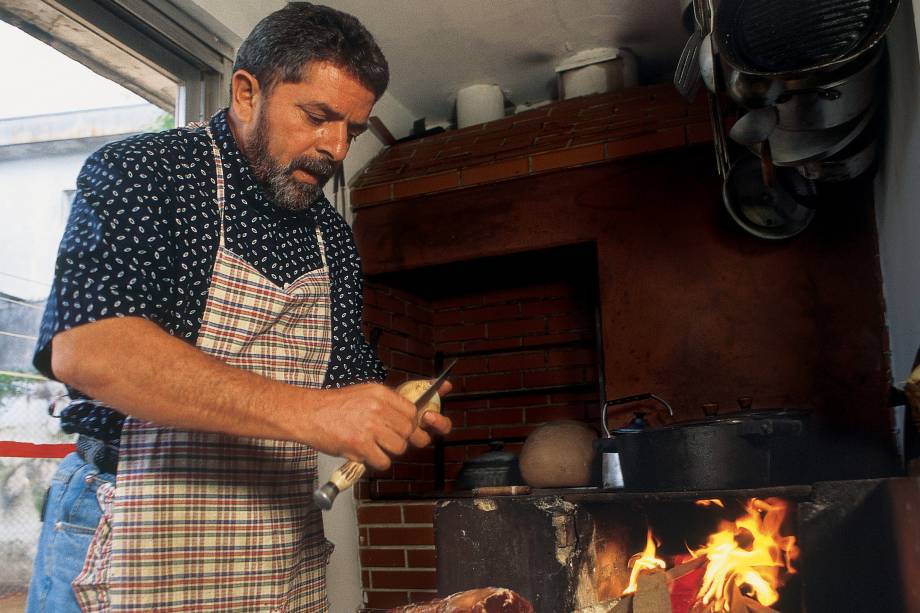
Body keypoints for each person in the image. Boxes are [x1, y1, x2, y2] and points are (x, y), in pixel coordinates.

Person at [25, 4, 452, 612]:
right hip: (136, 511)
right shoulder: (146, 172)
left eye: (352, 131)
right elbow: (89, 350)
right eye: (317, 117)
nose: (334, 148)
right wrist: (313, 414)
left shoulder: (330, 237)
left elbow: (342, 380)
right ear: (247, 93)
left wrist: (389, 408)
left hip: (272, 537)